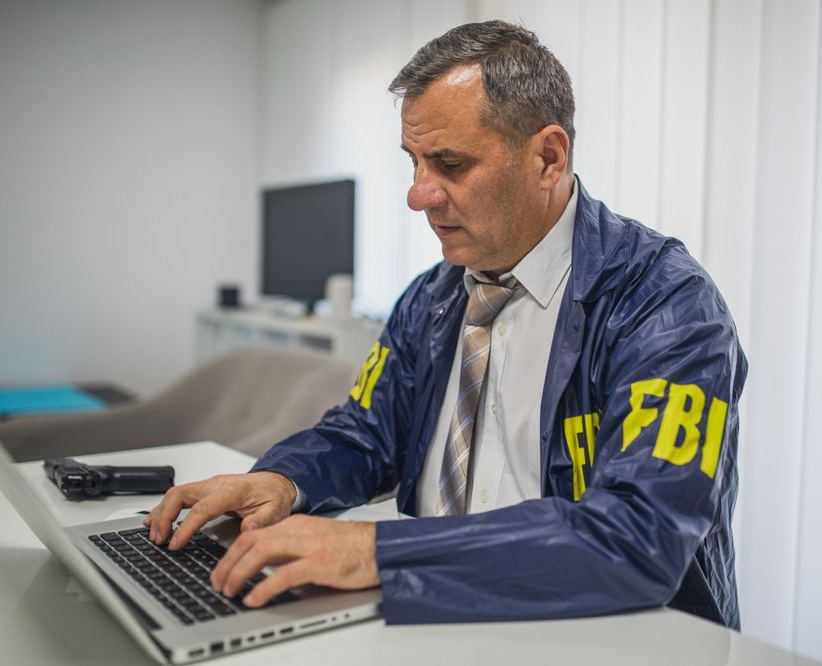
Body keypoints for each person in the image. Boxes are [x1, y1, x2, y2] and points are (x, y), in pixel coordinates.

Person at [145, 20, 747, 629]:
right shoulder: (430, 297)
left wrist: (377, 552)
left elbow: (638, 536)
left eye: (450, 164)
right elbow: (367, 431)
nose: (417, 194)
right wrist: (282, 481)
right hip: (429, 614)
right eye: (414, 162)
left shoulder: (666, 305)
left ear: (548, 157)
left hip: (596, 634)